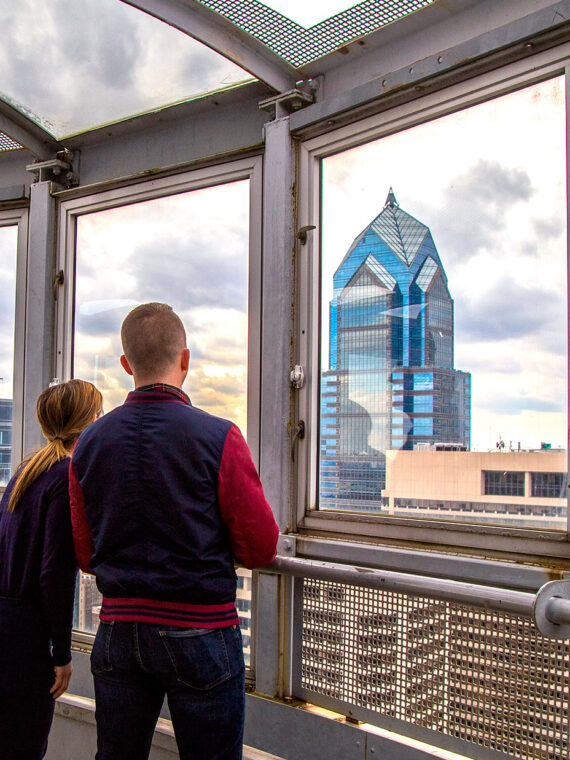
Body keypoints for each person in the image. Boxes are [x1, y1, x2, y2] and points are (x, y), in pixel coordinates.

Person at [69, 302, 279, 760]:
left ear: (126, 365)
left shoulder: (89, 442)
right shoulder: (219, 437)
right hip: (200, 629)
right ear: (185, 359)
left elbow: (85, 554)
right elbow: (261, 547)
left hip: (118, 630)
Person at [0, 379, 103, 760]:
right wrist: (61, 654)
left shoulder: (25, 473)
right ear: (91, 422)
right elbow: (54, 575)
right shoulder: (65, 479)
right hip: (25, 640)